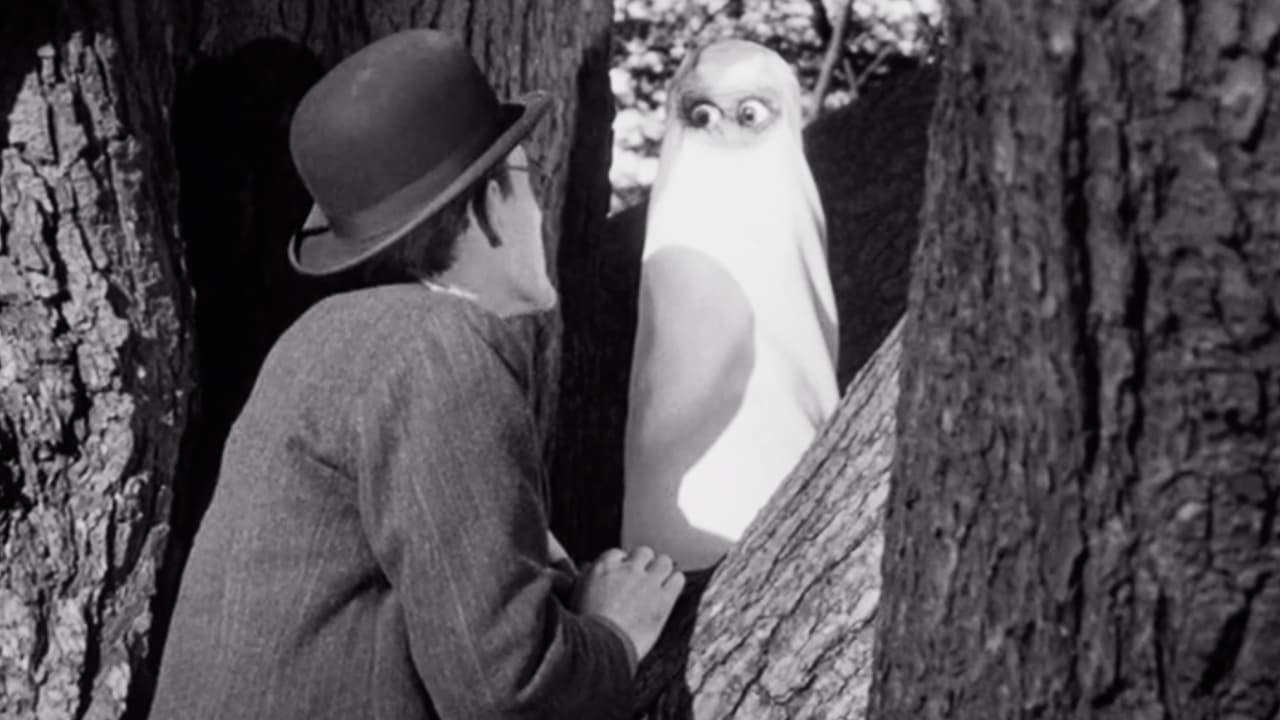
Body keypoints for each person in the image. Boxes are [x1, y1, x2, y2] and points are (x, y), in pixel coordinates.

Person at [151, 29, 683, 720]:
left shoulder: (332, 338)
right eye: (531, 179)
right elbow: (506, 686)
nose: (539, 208)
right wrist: (615, 632)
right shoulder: (437, 345)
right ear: (488, 202)